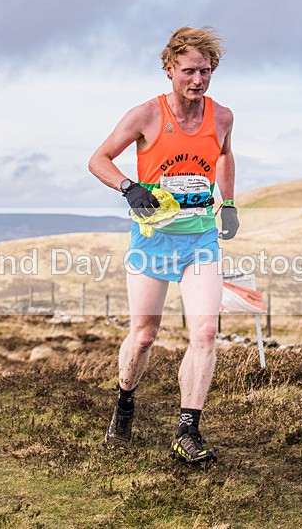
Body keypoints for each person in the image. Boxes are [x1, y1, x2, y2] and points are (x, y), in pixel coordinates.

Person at [88, 26, 239, 464]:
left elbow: (226, 155)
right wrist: (128, 187)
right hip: (153, 240)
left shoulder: (222, 116)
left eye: (205, 71)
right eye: (189, 71)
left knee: (206, 331)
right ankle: (124, 403)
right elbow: (98, 159)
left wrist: (227, 203)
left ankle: (187, 431)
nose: (198, 80)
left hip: (200, 240)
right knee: (144, 335)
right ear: (169, 68)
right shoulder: (146, 116)